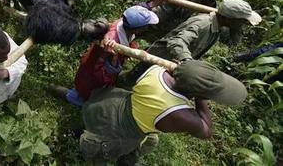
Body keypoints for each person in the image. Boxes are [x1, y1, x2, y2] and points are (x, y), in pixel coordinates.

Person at [79, 59, 247, 165]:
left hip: (108, 103)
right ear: (194, 93)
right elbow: (206, 132)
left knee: (152, 140)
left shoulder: (156, 70)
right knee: (100, 157)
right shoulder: (179, 114)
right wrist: (202, 98)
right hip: (116, 131)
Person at [119, 0, 262, 86]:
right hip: (161, 56)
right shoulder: (203, 24)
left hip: (170, 62)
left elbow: (232, 43)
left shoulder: (219, 26)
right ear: (230, 19)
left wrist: (237, 27)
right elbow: (177, 41)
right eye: (241, 21)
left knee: (144, 83)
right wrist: (187, 61)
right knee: (131, 80)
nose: (243, 24)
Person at [49, 6, 160, 106]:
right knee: (86, 95)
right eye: (146, 26)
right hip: (92, 73)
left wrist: (151, 4)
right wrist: (112, 59)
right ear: (137, 29)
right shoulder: (110, 44)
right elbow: (99, 73)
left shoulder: (123, 23)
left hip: (95, 69)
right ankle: (67, 95)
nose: (147, 28)